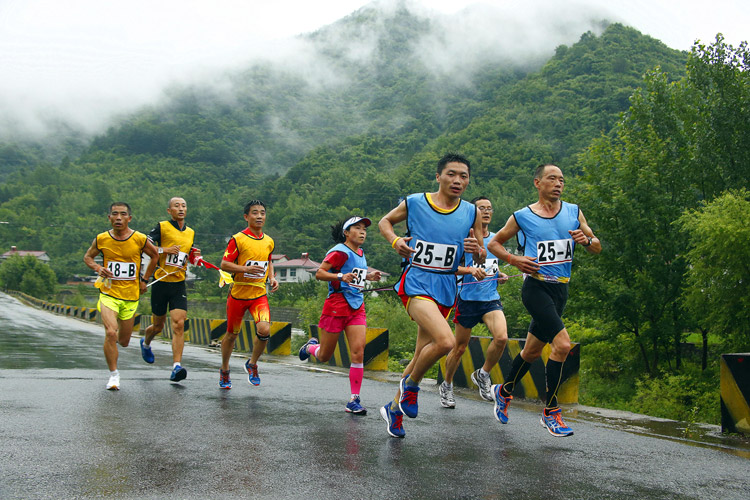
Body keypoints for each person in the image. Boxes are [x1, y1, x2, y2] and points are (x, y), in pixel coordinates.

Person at [487, 164, 601, 437]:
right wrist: (514, 260)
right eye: (552, 178)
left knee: (531, 352)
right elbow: (494, 244)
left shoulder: (574, 212)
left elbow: (596, 246)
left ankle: (504, 391)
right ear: (537, 183)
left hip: (561, 290)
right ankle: (551, 412)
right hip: (536, 289)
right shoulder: (523, 216)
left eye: (562, 179)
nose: (559, 183)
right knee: (562, 345)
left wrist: (586, 240)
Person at [378, 153, 485, 438]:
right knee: (446, 341)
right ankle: (411, 387)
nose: (458, 180)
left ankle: (394, 409)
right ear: (438, 176)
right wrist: (396, 240)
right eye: (452, 174)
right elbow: (384, 222)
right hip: (416, 284)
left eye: (464, 176)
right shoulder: (415, 202)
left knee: (418, 357)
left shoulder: (470, 212)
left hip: (446, 290)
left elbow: (481, 253)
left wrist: (477, 250)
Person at [298, 216, 382, 415]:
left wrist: (368, 277)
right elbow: (320, 273)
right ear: (346, 232)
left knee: (358, 352)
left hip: (356, 306)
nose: (362, 232)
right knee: (325, 355)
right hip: (336, 305)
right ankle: (311, 347)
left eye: (364, 229)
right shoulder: (339, 251)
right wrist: (339, 276)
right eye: (357, 228)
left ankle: (354, 399)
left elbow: (355, 276)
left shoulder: (360, 253)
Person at [440, 197, 509, 408]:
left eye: (489, 208)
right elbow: (449, 267)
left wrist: (500, 274)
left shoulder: (496, 239)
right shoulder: (464, 239)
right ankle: (447, 385)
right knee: (459, 347)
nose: (486, 212)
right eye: (481, 209)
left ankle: (483, 373)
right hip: (467, 300)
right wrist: (470, 270)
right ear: (474, 214)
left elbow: (491, 265)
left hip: (490, 300)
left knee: (501, 338)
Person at [83, 202, 159, 390]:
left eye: (122, 214)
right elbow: (88, 257)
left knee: (123, 341)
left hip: (130, 296)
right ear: (109, 217)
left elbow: (155, 255)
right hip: (108, 293)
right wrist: (98, 268)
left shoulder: (139, 239)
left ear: (129, 218)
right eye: (114, 214)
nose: (118, 217)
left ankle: (113, 345)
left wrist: (144, 279)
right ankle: (114, 375)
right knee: (110, 332)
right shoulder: (101, 239)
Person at [218, 200, 279, 389]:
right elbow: (224, 264)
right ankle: (225, 369)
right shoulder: (238, 239)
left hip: (259, 294)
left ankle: (252, 364)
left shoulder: (269, 241)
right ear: (246, 217)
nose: (259, 216)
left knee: (264, 330)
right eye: (255, 213)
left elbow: (269, 261)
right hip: (238, 294)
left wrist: (272, 277)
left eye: (262, 213)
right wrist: (245, 268)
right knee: (231, 335)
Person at [140, 197, 200, 382]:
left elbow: (187, 254)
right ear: (169, 210)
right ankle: (146, 342)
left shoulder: (190, 232)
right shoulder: (161, 227)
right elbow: (144, 247)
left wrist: (194, 257)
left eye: (183, 205)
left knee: (179, 324)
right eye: (176, 206)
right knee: (158, 326)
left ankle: (176, 366)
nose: (181, 209)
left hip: (178, 283)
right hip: (160, 282)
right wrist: (164, 250)